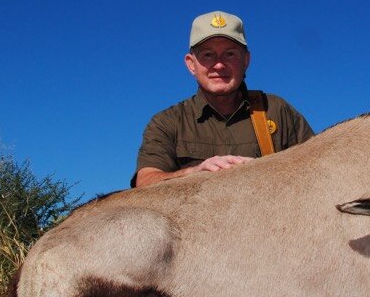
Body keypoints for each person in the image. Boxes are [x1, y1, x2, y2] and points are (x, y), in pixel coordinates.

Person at [132, 10, 313, 188]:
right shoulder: (167, 122)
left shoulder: (276, 109)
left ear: (246, 60)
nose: (219, 64)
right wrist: (192, 173)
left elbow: (317, 167)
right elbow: (145, 181)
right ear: (191, 64)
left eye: (230, 54)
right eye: (208, 55)